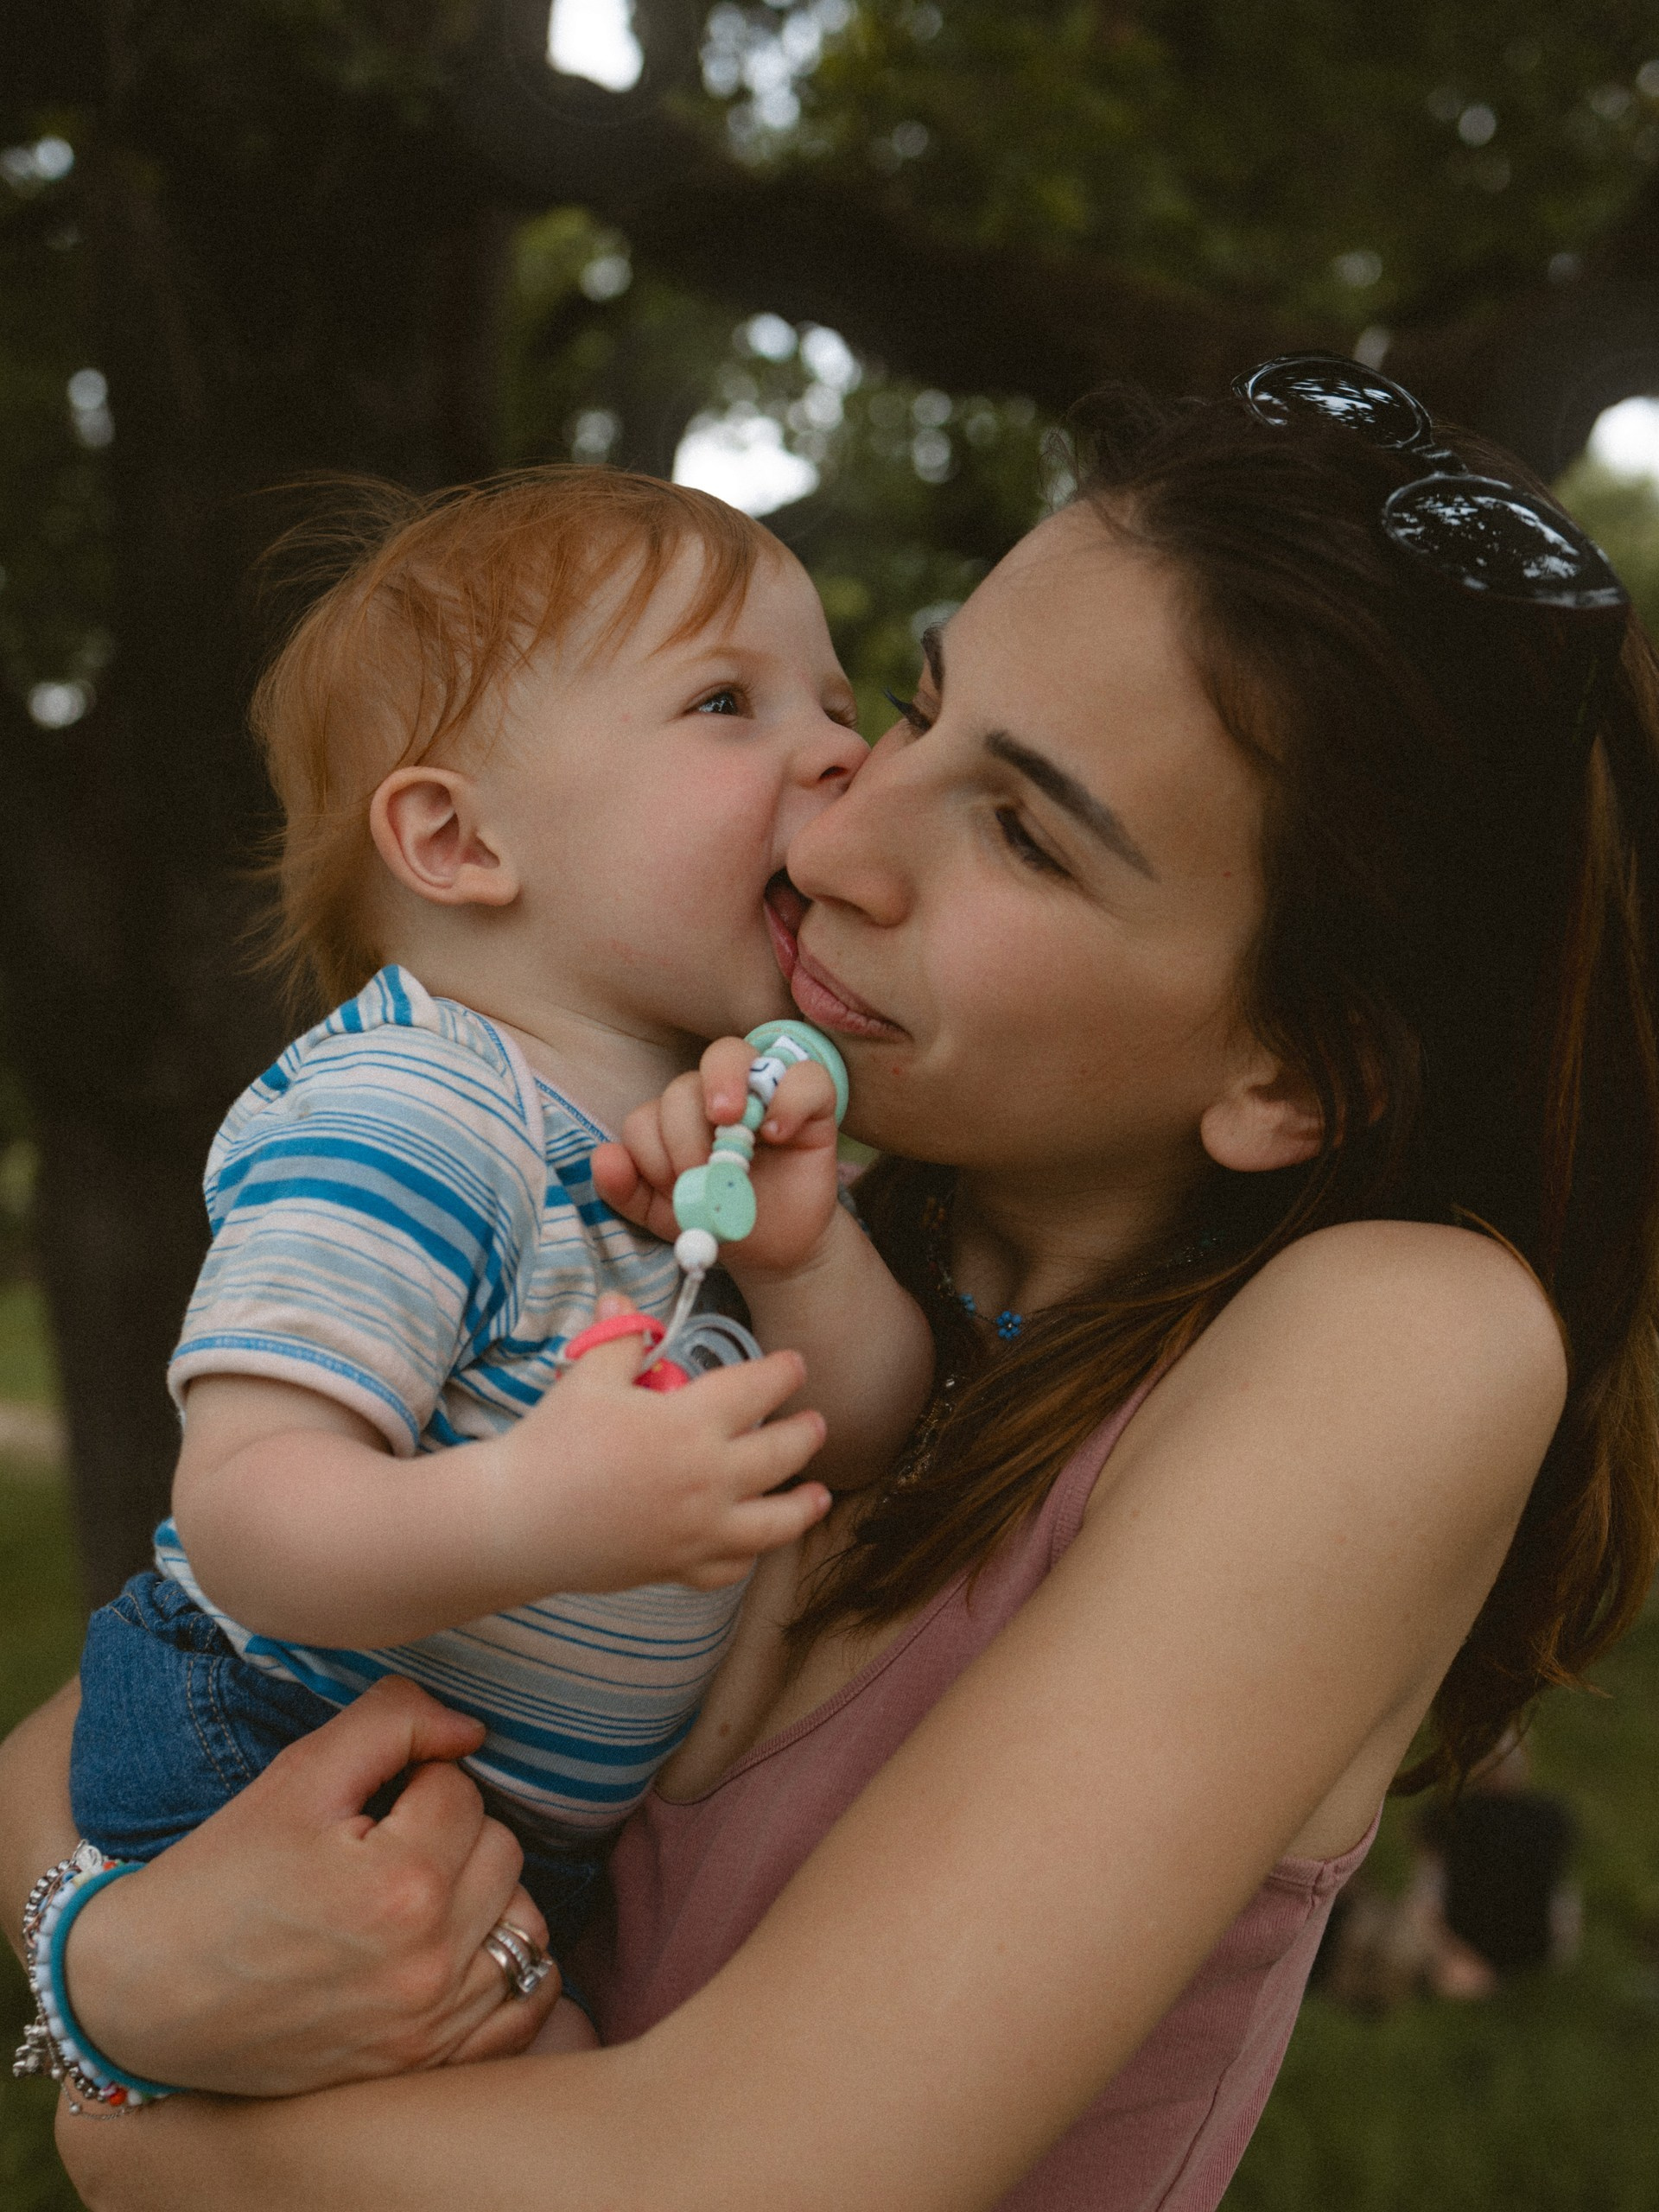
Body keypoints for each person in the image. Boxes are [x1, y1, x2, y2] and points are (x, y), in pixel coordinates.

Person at [7, 358, 1659, 2212]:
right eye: (922, 709)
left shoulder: (1400, 1337)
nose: (834, 835)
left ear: (1297, 1068)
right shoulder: (780, 1225)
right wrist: (120, 1964)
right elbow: (82, 1729)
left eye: (1027, 831)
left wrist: (126, 2098)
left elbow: (739, 2177)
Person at [59, 467, 932, 2050]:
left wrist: (803, 1262)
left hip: (501, 1824)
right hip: (275, 1754)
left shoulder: (723, 1123)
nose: (846, 752)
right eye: (728, 701)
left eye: (839, 700)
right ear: (456, 838)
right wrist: (541, 1509)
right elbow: (247, 1514)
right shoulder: (414, 1109)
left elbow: (863, 1430)